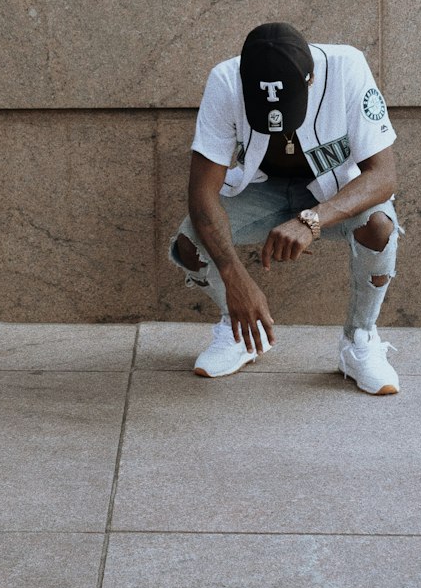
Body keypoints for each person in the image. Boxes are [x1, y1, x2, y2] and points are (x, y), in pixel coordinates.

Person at [168, 21, 403, 395]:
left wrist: (312, 219)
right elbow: (201, 194)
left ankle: (359, 341)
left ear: (309, 80)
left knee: (378, 225)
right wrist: (235, 278)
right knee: (190, 241)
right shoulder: (226, 81)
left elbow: (384, 176)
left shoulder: (347, 68)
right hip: (261, 190)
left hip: (332, 192)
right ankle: (238, 328)